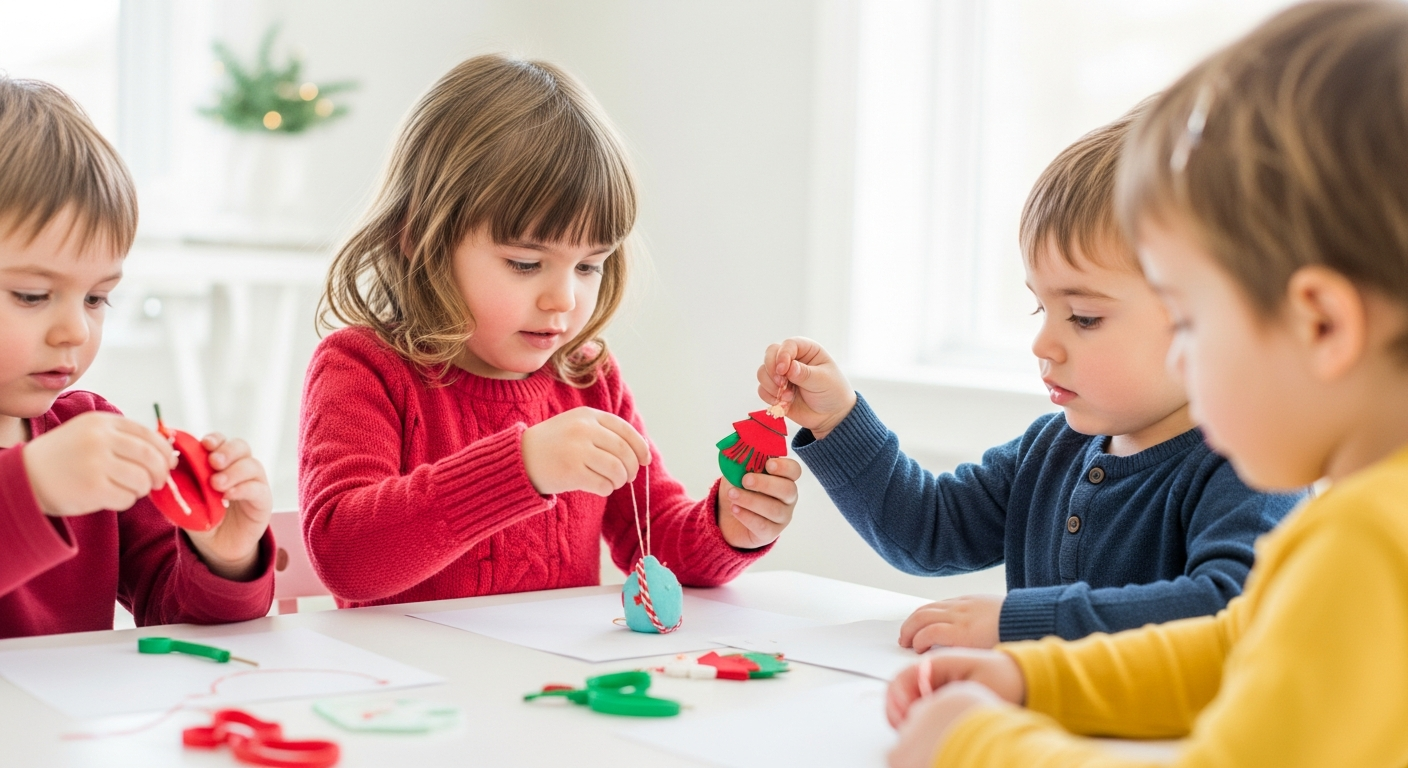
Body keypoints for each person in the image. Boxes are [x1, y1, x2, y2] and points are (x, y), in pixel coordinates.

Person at [885, 2, 1408, 765]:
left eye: (1191, 323)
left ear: (1322, 325)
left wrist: (974, 744)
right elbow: (1229, 647)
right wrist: (1034, 677)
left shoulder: (1363, 543)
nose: (1184, 361)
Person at [757, 102, 1300, 651]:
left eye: (1084, 317)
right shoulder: (1051, 449)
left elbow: (1228, 608)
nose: (1042, 344)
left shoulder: (1256, 465)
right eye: (1040, 309)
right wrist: (839, 421)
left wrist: (1023, 621)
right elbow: (928, 530)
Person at [300, 54, 800, 607]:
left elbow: (653, 536)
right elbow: (344, 557)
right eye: (524, 263)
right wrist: (522, 468)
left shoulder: (588, 377)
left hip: (551, 688)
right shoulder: (362, 367)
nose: (564, 298)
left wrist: (729, 527)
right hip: (415, 690)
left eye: (588, 266)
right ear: (421, 239)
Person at [0, 77, 274, 639]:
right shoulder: (63, 462)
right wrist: (33, 489)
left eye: (97, 298)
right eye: (31, 294)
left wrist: (223, 555)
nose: (75, 329)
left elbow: (178, 622)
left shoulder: (83, 427)